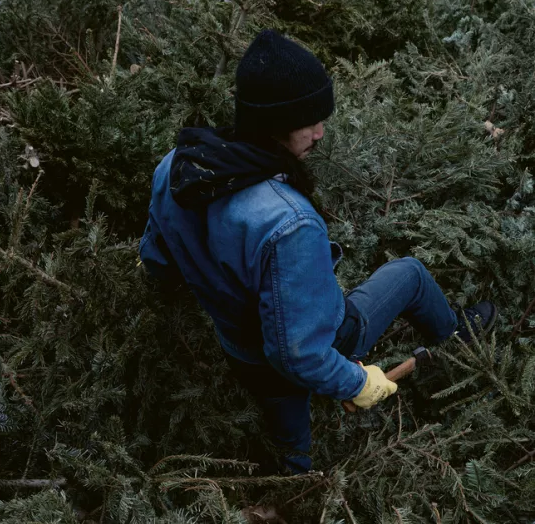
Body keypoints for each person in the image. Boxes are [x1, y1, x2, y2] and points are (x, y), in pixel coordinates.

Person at [139, 29, 497, 474]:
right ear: (274, 123)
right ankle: (456, 342)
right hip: (315, 344)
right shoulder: (289, 223)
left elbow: (156, 253)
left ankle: (294, 482)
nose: (321, 132)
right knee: (410, 273)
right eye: (308, 121)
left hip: (241, 351)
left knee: (290, 441)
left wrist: (172, 284)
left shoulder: (178, 166)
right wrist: (355, 382)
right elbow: (296, 353)